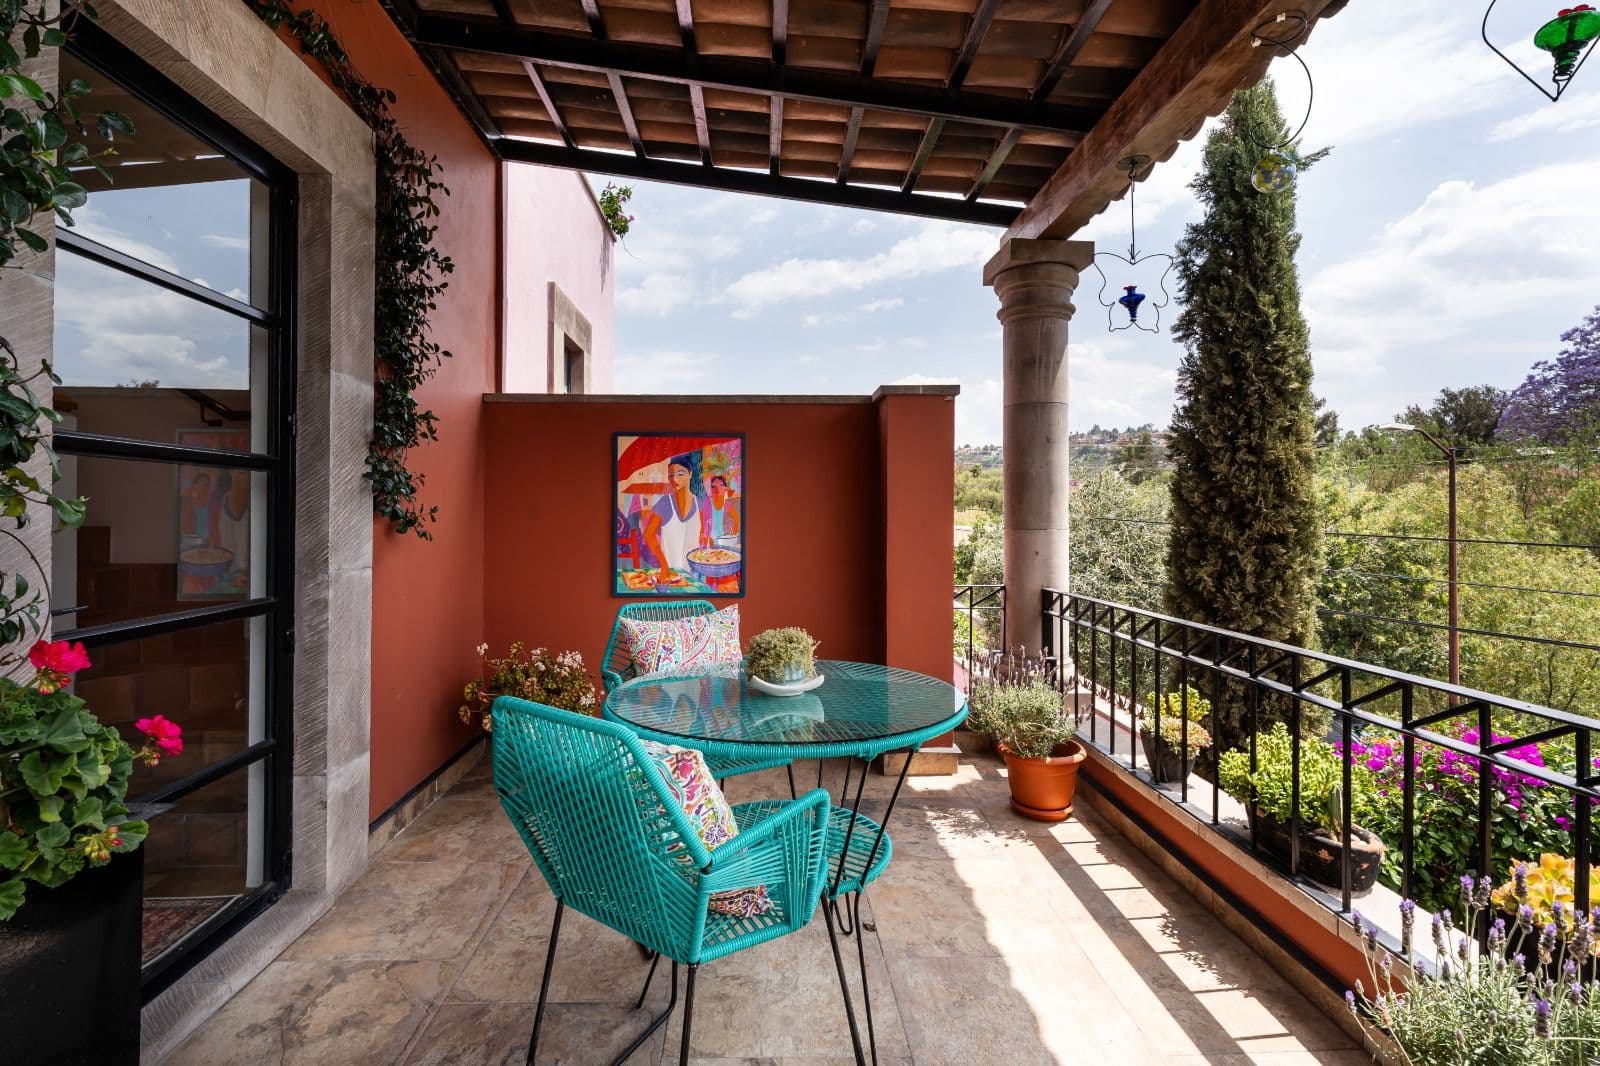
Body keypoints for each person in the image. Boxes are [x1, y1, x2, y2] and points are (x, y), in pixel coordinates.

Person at [641, 452, 703, 579]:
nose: (674, 479)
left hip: (694, 574)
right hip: (671, 573)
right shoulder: (665, 503)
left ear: (690, 474)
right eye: (671, 475)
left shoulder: (698, 502)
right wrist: (663, 564)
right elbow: (648, 534)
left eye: (681, 474)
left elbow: (700, 533)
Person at [702, 474, 740, 543]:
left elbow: (736, 518)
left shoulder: (726, 504)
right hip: (708, 539)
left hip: (721, 539)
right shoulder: (707, 502)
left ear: (725, 488)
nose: (717, 489)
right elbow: (702, 521)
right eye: (714, 486)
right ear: (711, 488)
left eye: (721, 485)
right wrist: (706, 537)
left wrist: (733, 535)